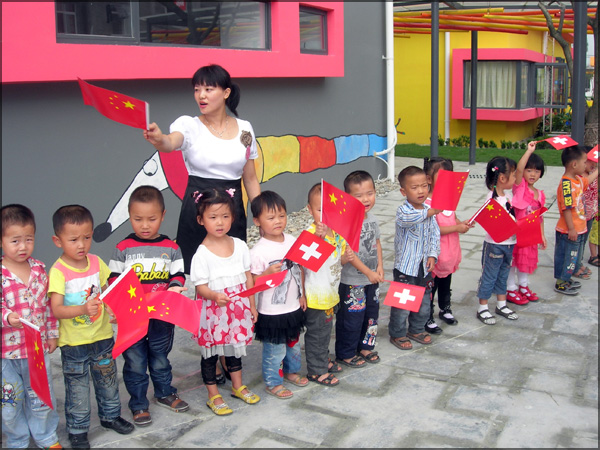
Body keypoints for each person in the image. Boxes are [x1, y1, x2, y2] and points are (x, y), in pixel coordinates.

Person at [143, 64, 261, 274]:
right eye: (197, 90)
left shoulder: (245, 128)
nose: (201, 96)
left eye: (208, 89)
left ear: (226, 93)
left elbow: (250, 179)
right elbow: (170, 143)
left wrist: (261, 212)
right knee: (195, 270)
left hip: (231, 208)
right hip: (198, 206)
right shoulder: (189, 125)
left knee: (232, 267)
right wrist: (158, 139)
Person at [48, 205, 133, 448]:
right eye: (73, 239)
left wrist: (114, 310)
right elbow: (57, 309)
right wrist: (84, 309)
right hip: (74, 344)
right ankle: (77, 428)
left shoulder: (96, 262)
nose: (81, 244)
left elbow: (107, 291)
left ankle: (110, 416)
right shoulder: (58, 271)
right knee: (77, 386)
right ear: (58, 240)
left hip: (102, 336)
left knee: (107, 379)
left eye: (86, 237)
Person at [107, 186, 189, 427]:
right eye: (137, 219)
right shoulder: (123, 248)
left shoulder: (171, 248)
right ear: (129, 216)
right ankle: (139, 404)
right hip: (131, 319)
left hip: (161, 317)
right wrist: (114, 305)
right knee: (135, 362)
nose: (144, 225)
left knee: (160, 357)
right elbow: (114, 280)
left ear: (162, 216)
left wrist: (174, 287)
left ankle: (164, 392)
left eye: (151, 219)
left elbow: (178, 274)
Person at [190, 189, 260, 416]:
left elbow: (248, 276)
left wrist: (251, 304)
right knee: (210, 353)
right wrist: (214, 296)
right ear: (201, 220)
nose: (220, 222)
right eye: (213, 217)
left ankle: (237, 386)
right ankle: (213, 395)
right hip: (212, 311)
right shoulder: (201, 253)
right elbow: (200, 287)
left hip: (237, 309)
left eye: (225, 216)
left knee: (234, 349)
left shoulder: (239, 245)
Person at [1, 205, 61, 449]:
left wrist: (52, 334)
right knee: (10, 400)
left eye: (28, 239)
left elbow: (47, 306)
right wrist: (7, 317)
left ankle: (46, 436)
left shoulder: (39, 270)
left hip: (35, 350)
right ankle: (17, 439)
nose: (23, 246)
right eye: (15, 241)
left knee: (40, 396)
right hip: (6, 354)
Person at [249, 191, 308, 399]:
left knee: (293, 344)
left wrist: (302, 294)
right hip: (271, 312)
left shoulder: (292, 240)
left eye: (282, 216)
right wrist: (265, 274)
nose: (278, 221)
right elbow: (253, 284)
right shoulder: (258, 252)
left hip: (292, 306)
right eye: (271, 217)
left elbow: (299, 268)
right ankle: (273, 382)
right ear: (257, 221)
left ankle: (292, 372)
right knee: (274, 350)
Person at [335, 171, 384, 368]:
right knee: (351, 319)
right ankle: (345, 353)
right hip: (353, 281)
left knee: (371, 315)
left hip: (372, 280)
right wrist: (369, 273)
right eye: (359, 195)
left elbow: (377, 244)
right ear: (347, 197)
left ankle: (366, 347)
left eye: (370, 193)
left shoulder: (372, 219)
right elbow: (350, 255)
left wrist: (380, 266)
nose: (366, 199)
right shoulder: (346, 221)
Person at [388, 166, 441, 350]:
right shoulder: (404, 211)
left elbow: (435, 234)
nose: (421, 191)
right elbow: (408, 220)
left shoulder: (428, 209)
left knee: (424, 301)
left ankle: (417, 329)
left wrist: (433, 255)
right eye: (415, 187)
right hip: (406, 267)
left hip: (424, 267)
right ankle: (397, 333)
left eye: (424, 186)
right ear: (403, 191)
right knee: (402, 304)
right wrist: (430, 212)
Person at [304, 183, 350, 386]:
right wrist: (317, 240)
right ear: (309, 210)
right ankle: (316, 370)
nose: (324, 215)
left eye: (329, 210)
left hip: (331, 293)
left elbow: (337, 261)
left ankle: (322, 359)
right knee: (317, 334)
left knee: (325, 332)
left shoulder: (337, 233)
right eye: (319, 210)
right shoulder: (311, 233)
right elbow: (305, 262)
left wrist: (346, 258)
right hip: (316, 296)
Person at [422, 157, 472, 335]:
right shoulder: (426, 205)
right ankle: (427, 315)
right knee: (431, 285)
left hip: (450, 251)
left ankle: (445, 308)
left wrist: (462, 224)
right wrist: (456, 227)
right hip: (435, 254)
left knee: (446, 282)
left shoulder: (449, 198)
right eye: (442, 175)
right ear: (429, 179)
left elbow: (453, 218)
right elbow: (435, 229)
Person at [475, 157, 520, 325]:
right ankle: (483, 307)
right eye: (513, 175)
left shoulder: (507, 196)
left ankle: (501, 304)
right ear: (502, 178)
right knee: (489, 276)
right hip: (495, 245)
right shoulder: (492, 199)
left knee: (504, 274)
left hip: (509, 244)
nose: (516, 178)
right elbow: (491, 224)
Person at [554, 146, 599, 295]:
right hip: (568, 230)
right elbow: (567, 208)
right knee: (566, 256)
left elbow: (588, 181)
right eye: (584, 162)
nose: (586, 165)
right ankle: (561, 282)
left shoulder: (578, 180)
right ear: (574, 164)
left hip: (578, 228)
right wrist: (571, 229)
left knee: (572, 257)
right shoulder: (566, 184)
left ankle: (566, 278)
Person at [506, 142, 547, 305]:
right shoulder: (520, 187)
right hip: (517, 233)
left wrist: (542, 235)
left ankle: (523, 286)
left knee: (526, 261)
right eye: (530, 170)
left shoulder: (540, 194)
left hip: (530, 235)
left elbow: (540, 217)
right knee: (513, 261)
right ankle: (510, 288)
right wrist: (529, 151)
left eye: (537, 171)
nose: (532, 174)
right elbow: (520, 169)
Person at [578, 154, 598, 269]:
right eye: (589, 162)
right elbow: (585, 183)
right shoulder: (579, 176)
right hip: (580, 215)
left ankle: (578, 263)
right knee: (578, 242)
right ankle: (576, 265)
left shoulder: (593, 172)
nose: (593, 164)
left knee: (583, 241)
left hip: (591, 213)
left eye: (595, 162)